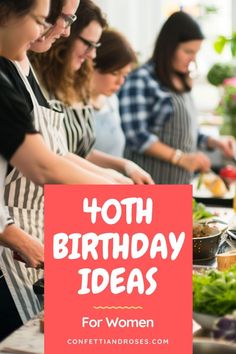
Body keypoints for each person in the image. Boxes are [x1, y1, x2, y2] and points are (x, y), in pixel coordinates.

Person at [0, 0, 119, 338]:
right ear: (7, 12)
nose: (47, 29)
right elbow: (42, 165)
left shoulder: (19, 67)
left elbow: (56, 154)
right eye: (42, 19)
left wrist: (118, 181)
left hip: (27, 236)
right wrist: (121, 198)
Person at [29, 0, 154, 185]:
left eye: (95, 47)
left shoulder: (76, 85)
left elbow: (82, 152)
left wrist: (125, 167)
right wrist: (110, 179)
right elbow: (52, 157)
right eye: (88, 44)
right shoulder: (36, 82)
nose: (92, 55)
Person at [118, 11, 235, 184]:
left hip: (179, 184)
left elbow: (182, 133)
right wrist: (180, 158)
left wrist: (214, 142)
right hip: (149, 186)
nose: (192, 59)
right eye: (188, 51)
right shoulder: (141, 80)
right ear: (169, 47)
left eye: (196, 52)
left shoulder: (181, 79)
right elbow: (136, 136)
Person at [91, 29, 137, 157]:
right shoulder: (73, 104)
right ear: (93, 66)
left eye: (125, 75)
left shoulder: (112, 101)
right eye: (115, 73)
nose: (120, 82)